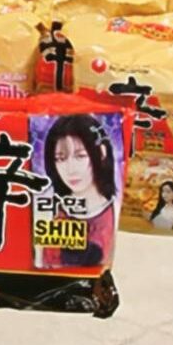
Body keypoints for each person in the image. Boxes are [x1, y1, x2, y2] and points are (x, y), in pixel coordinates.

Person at [36, 114, 118, 269]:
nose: (70, 169)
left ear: (101, 153)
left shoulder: (109, 214)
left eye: (80, 156)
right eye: (60, 159)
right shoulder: (52, 209)